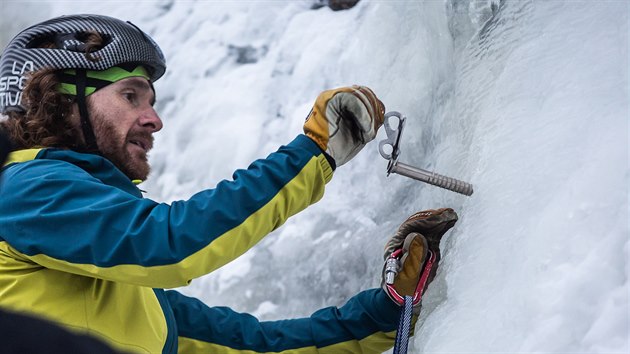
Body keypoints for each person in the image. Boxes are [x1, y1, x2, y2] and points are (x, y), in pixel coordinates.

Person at [0, 14, 458, 354]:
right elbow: (170, 243)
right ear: (60, 99)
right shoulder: (21, 190)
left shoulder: (123, 298)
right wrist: (314, 152)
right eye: (130, 95)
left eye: (151, 101)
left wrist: (385, 313)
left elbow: (255, 345)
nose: (154, 119)